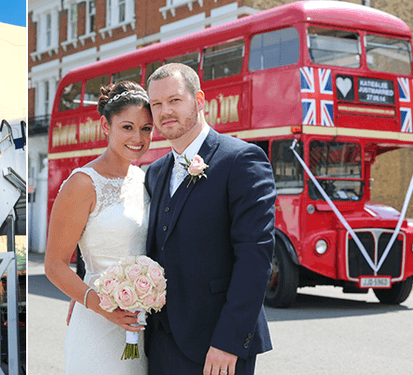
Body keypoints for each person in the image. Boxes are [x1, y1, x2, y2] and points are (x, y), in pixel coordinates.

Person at [143, 63, 276, 375]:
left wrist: (229, 342)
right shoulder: (155, 172)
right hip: (160, 344)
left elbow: (254, 259)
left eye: (175, 100)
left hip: (217, 346)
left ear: (199, 100)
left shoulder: (242, 160)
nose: (165, 112)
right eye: (156, 104)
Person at [45, 80, 153, 375]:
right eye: (127, 127)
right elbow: (54, 265)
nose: (138, 137)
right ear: (106, 126)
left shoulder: (146, 179)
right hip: (98, 324)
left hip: (142, 323)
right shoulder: (82, 183)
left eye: (146, 129)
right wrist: (98, 304)